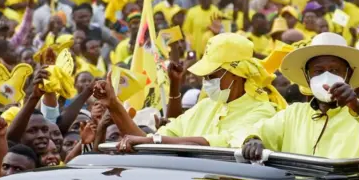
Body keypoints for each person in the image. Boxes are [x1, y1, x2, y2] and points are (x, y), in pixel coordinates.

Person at [96, 33, 285, 151]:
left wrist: (156, 140)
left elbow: (215, 144)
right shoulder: (205, 107)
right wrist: (114, 106)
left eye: (212, 75)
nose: (206, 81)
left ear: (237, 73)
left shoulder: (263, 111)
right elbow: (145, 143)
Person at [242, 32, 359, 159]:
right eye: (318, 71)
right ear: (308, 77)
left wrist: (356, 105)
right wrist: (254, 140)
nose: (326, 77)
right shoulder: (293, 114)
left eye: (334, 70)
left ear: (348, 74)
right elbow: (259, 131)